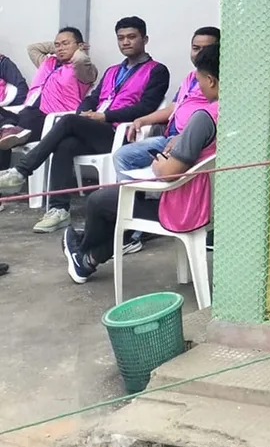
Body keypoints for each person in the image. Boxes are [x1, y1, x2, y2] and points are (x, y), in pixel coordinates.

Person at [62, 44, 218, 283]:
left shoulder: (204, 117)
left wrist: (158, 163)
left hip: (187, 208)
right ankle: (87, 256)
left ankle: (84, 255)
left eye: (201, 82)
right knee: (117, 199)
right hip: (216, 206)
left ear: (211, 80)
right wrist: (181, 140)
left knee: (99, 201)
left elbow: (167, 172)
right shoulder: (235, 113)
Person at [0, 17, 170, 233]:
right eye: (121, 38)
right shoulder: (112, 71)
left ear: (144, 39)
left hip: (120, 133)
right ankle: (59, 210)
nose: (126, 42)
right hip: (95, 129)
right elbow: (92, 98)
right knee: (66, 144)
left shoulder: (157, 70)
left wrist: (105, 116)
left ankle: (21, 171)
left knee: (68, 120)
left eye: (131, 37)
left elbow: (147, 107)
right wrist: (85, 113)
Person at [114, 27, 220, 176]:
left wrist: (182, 138)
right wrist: (141, 120)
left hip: (188, 141)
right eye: (196, 48)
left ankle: (140, 197)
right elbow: (173, 108)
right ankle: (134, 197)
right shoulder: (191, 78)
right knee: (123, 155)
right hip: (169, 137)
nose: (200, 53)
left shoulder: (216, 90)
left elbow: (206, 127)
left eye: (206, 49)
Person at [0, 28, 97, 153]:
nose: (60, 48)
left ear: (79, 46)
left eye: (65, 44)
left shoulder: (83, 70)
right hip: (25, 113)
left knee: (30, 114)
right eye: (57, 45)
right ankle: (10, 130)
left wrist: (79, 49)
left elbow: (81, 60)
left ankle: (13, 131)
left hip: (50, 118)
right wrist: (59, 47)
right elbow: (32, 48)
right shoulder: (47, 63)